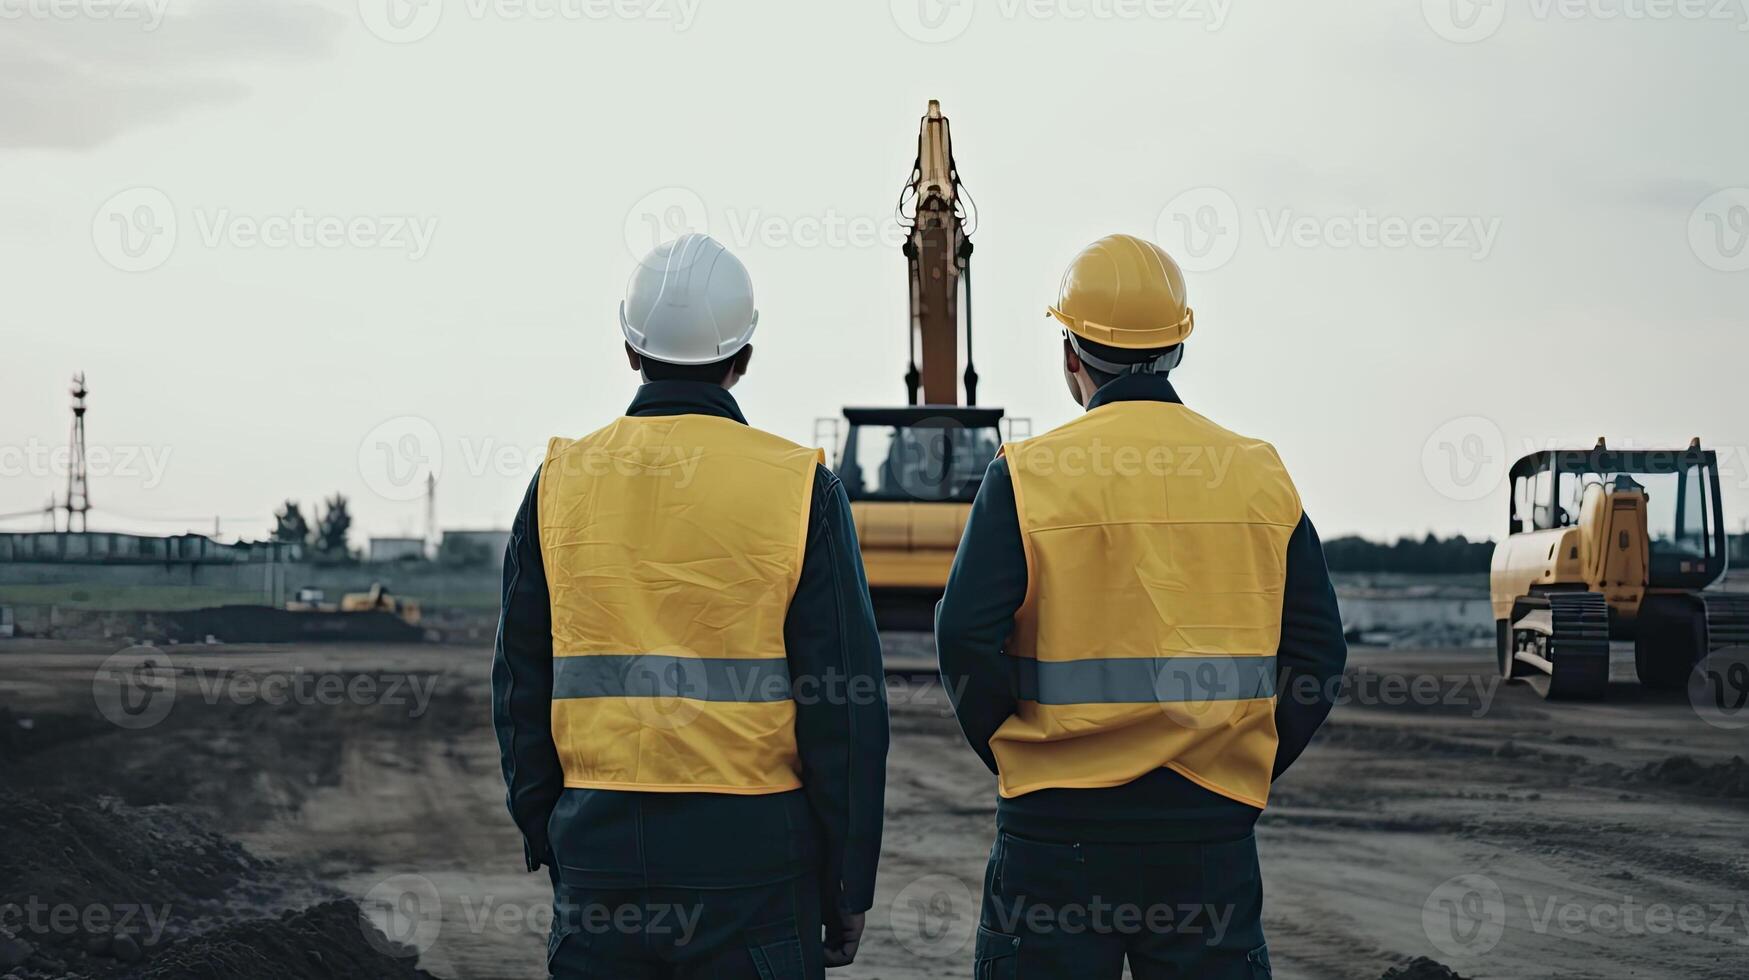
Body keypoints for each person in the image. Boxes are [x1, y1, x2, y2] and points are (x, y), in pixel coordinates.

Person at [935, 233, 1347, 979]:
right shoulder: (1256, 473)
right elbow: (1318, 655)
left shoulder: (1027, 476)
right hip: (1206, 830)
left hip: (1055, 832)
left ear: (1070, 355)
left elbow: (963, 637)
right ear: (1178, 349)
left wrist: (1017, 750)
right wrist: (1242, 764)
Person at [493, 233, 889, 979]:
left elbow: (519, 684)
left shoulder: (558, 484)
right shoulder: (799, 488)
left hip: (599, 847)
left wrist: (549, 833)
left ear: (628, 349)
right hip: (755, 859)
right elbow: (846, 708)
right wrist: (844, 884)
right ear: (743, 354)